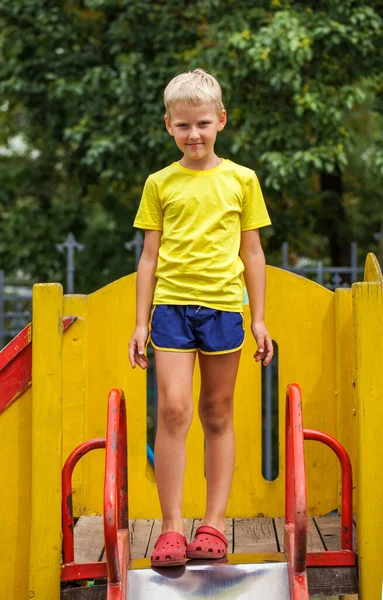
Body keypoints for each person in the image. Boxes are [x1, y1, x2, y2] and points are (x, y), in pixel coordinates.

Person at [128, 68, 273, 567]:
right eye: (183, 125)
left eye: (203, 124)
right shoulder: (159, 183)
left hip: (223, 310)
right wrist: (141, 322)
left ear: (221, 122)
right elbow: (149, 257)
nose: (194, 134)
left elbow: (252, 253)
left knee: (216, 413)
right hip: (170, 308)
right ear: (168, 124)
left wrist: (258, 319)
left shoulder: (242, 180)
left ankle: (212, 523)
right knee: (172, 411)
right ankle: (171, 529)